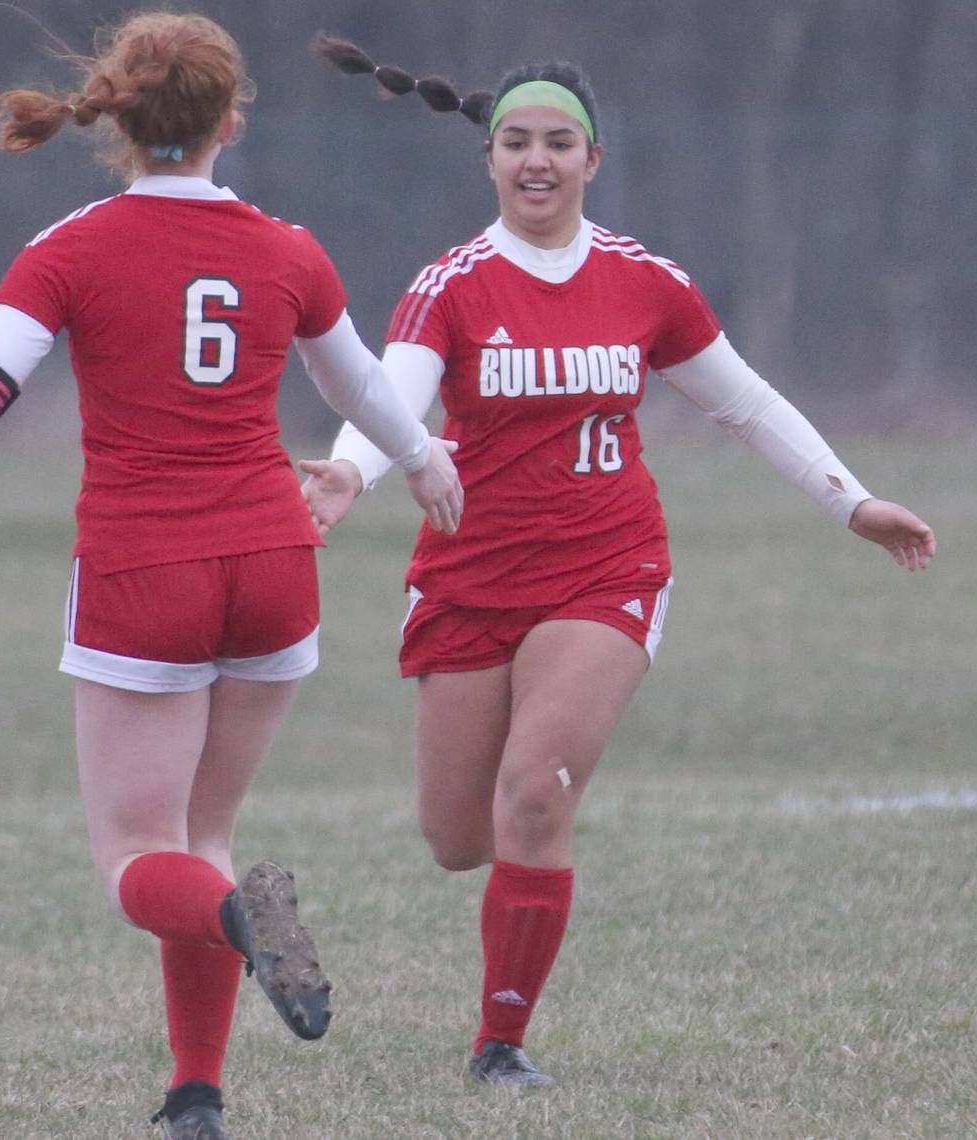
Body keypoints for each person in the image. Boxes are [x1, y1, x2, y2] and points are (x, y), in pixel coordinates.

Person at [0, 14, 463, 1140]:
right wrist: (424, 460)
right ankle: (194, 1097)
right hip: (273, 563)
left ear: (114, 115)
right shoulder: (287, 246)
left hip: (145, 568)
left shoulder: (70, 248)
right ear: (231, 118)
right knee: (201, 834)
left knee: (137, 862)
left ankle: (234, 928)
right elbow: (362, 389)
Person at [304, 37, 936, 1088]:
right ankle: (498, 989)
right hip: (469, 579)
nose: (536, 160)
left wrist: (853, 501)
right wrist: (346, 471)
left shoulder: (644, 280)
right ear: (490, 159)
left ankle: (499, 1046)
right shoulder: (450, 285)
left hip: (608, 569)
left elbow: (746, 402)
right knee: (458, 839)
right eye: (517, 142)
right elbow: (393, 395)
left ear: (593, 159)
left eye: (558, 142)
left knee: (537, 796)